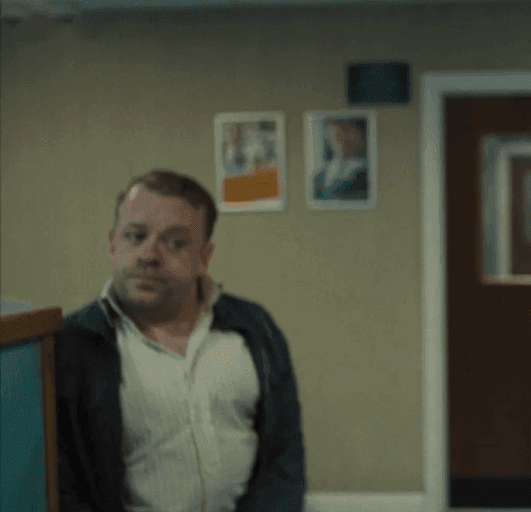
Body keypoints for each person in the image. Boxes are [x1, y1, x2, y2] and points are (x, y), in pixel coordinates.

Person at [54, 169, 306, 512]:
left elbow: (284, 459)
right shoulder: (72, 345)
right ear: (112, 244)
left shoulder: (255, 328)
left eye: (174, 242)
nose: (148, 254)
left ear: (203, 257)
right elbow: (64, 485)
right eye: (135, 236)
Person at [313, 119, 368, 200]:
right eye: (336, 137)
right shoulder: (321, 176)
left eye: (344, 135)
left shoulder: (365, 172)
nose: (341, 141)